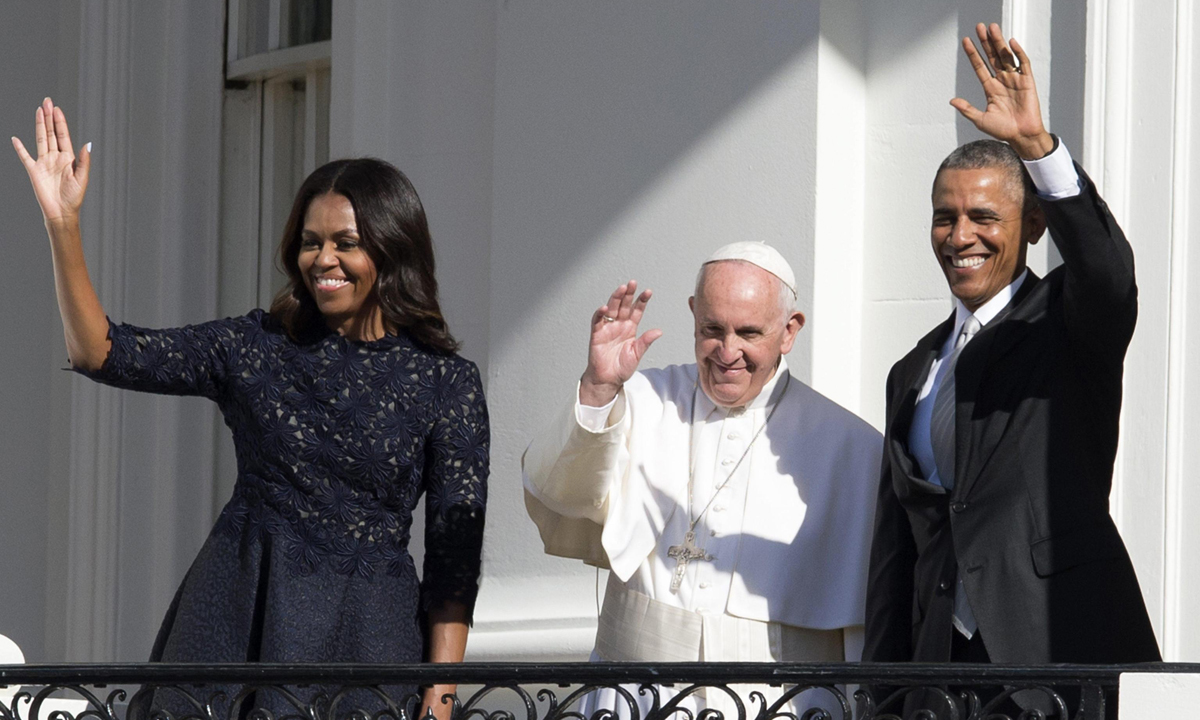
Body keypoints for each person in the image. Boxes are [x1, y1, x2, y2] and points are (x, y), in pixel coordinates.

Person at [11, 99, 488, 718]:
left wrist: (441, 690)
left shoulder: (446, 382)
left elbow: (455, 562)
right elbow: (104, 351)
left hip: (368, 639)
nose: (324, 260)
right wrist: (63, 226)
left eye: (347, 243)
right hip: (237, 620)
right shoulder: (257, 346)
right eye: (311, 243)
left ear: (394, 251)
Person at [863, 22, 1160, 713]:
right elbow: (896, 555)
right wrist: (881, 695)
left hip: (1056, 659)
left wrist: (1039, 150)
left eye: (983, 216)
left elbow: (1109, 277)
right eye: (944, 217)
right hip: (940, 678)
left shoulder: (1066, 325)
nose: (960, 236)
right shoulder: (912, 371)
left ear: (1031, 228)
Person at [523, 243, 883, 717]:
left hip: (779, 705)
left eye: (748, 333)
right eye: (712, 330)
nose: (727, 352)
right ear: (693, 314)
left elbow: (866, 628)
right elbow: (556, 494)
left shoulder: (851, 447)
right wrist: (598, 389)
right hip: (638, 696)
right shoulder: (642, 400)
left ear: (790, 330)